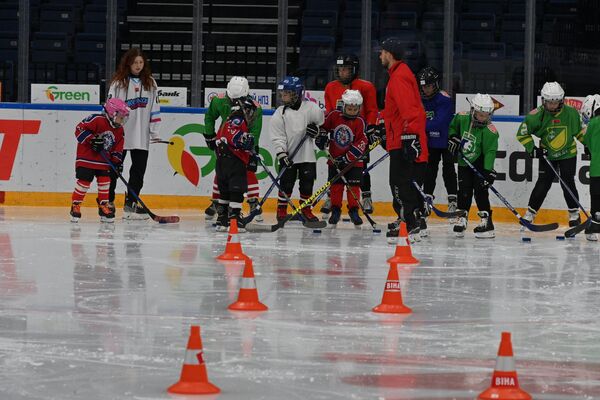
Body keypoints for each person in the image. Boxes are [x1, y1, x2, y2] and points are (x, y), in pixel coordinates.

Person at [378, 37, 428, 241]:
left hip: (403, 140)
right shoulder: (399, 74)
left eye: (381, 52)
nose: (380, 56)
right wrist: (383, 127)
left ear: (389, 54)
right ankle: (411, 222)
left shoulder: (399, 77)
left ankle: (409, 224)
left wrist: (410, 137)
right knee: (402, 183)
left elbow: (411, 111)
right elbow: (395, 111)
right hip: (399, 137)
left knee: (400, 184)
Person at [516, 82, 585, 227]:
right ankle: (530, 213)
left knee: (567, 181)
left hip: (568, 153)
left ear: (561, 100)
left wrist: (589, 145)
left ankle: (574, 214)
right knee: (543, 182)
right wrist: (532, 149)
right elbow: (522, 134)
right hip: (547, 155)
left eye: (556, 102)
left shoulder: (571, 113)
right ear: (543, 100)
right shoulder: (536, 115)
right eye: (549, 102)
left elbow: (580, 132)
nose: (552, 106)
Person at [107, 48, 162, 220]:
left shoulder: (150, 83)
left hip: (141, 135)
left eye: (141, 62)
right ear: (128, 64)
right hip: (120, 135)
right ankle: (108, 202)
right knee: (113, 170)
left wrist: (154, 131)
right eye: (135, 62)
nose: (138, 66)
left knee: (138, 171)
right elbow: (109, 107)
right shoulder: (118, 83)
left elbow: (155, 108)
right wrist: (110, 129)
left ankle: (131, 204)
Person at [323, 54, 379, 215]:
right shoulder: (331, 87)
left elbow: (372, 109)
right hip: (339, 134)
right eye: (340, 69)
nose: (342, 72)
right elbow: (329, 111)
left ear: (354, 70)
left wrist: (371, 127)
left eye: (346, 69)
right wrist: (325, 130)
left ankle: (366, 196)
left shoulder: (366, 86)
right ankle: (331, 197)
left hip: (358, 133)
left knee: (361, 165)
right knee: (334, 165)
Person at [203, 76, 264, 221]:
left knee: (247, 170)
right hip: (225, 140)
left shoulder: (255, 107)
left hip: (244, 142)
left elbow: (255, 130)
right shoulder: (218, 100)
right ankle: (217, 202)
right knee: (222, 171)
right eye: (232, 100)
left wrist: (252, 146)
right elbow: (210, 117)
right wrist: (210, 135)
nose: (235, 103)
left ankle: (253, 200)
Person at [270, 76, 325, 223]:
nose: (283, 97)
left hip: (307, 155)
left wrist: (317, 131)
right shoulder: (280, 113)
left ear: (297, 93)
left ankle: (306, 209)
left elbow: (321, 123)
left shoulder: (311, 108)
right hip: (288, 156)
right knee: (286, 184)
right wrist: (282, 153)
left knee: (307, 184)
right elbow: (278, 136)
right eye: (282, 94)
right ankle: (281, 209)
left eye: (287, 93)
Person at [447, 93, 498, 238]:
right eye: (480, 115)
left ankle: (487, 222)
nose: (483, 118)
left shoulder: (491, 131)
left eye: (486, 115)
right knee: (463, 190)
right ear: (473, 111)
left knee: (481, 192)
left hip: (480, 163)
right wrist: (453, 138)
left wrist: (488, 172)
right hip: (464, 162)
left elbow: (490, 152)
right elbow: (452, 129)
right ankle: (462, 217)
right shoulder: (462, 117)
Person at [70, 98, 129, 223]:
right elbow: (79, 129)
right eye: (120, 116)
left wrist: (117, 162)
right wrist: (91, 139)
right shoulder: (97, 119)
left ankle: (103, 206)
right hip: (86, 158)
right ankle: (76, 204)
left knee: (105, 182)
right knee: (84, 182)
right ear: (112, 113)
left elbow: (118, 148)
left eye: (123, 117)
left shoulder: (119, 130)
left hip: (103, 161)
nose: (122, 120)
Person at [318, 89, 368, 226]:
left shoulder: (360, 122)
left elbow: (361, 143)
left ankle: (353, 211)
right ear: (344, 105)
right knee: (336, 187)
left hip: (353, 163)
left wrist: (347, 158)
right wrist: (321, 136)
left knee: (353, 187)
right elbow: (324, 127)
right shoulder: (334, 116)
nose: (352, 111)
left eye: (354, 109)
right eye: (349, 108)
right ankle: (335, 210)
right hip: (335, 161)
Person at [417, 66, 457, 216]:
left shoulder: (444, 100)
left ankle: (453, 200)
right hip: (430, 142)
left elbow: (438, 122)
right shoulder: (420, 100)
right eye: (423, 87)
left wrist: (420, 126)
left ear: (435, 85)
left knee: (449, 170)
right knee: (429, 170)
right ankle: (427, 197)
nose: (426, 90)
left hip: (445, 141)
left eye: (428, 86)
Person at [214, 97, 258, 232]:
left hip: (222, 162)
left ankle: (222, 219)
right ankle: (234, 219)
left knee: (225, 192)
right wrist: (244, 140)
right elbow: (234, 136)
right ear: (243, 109)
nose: (251, 115)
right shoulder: (237, 119)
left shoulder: (227, 120)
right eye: (249, 111)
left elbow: (219, 139)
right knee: (236, 191)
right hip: (234, 162)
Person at [581, 94, 600, 241]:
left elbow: (585, 141)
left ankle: (594, 226)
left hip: (597, 170)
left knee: (596, 198)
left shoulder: (592, 124)